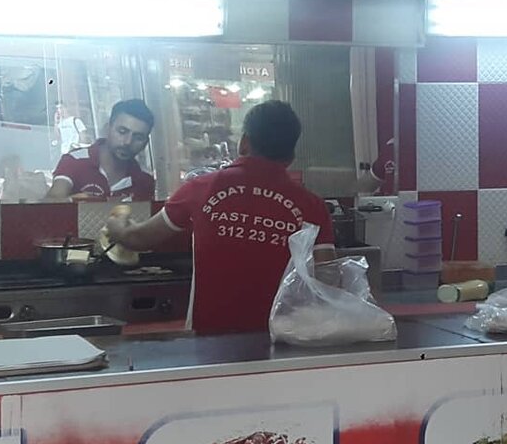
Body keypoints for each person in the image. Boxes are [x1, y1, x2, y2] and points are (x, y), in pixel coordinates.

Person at [105, 100, 335, 334]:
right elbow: (328, 279)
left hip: (210, 340)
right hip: (281, 337)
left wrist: (117, 226)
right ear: (291, 154)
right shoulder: (312, 206)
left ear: (244, 142)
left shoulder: (201, 188)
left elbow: (138, 239)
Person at [46, 99, 155, 201]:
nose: (128, 142)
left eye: (138, 137)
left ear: (145, 143)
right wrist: (72, 201)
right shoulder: (75, 161)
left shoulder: (144, 180)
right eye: (122, 132)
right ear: (107, 128)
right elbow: (54, 201)